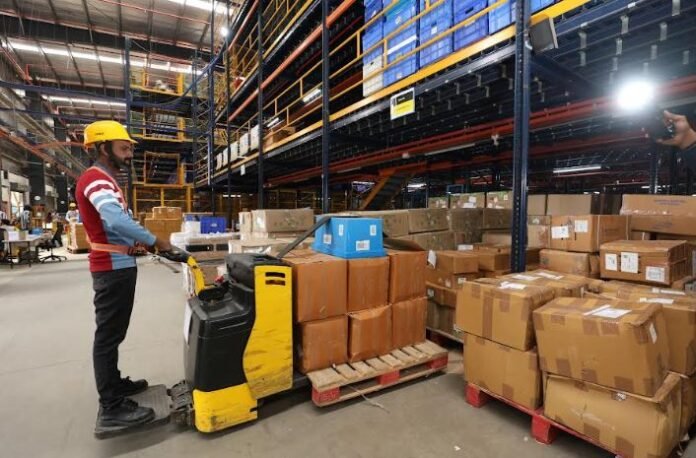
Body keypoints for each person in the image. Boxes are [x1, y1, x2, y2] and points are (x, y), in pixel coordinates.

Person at [75, 120, 172, 430]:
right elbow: (115, 220)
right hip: (111, 268)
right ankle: (111, 408)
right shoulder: (96, 179)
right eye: (124, 148)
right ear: (103, 148)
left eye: (130, 148)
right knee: (108, 336)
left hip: (119, 265)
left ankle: (114, 384)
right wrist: (157, 241)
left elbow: (118, 222)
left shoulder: (106, 179)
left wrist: (143, 245)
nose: (129, 154)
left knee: (114, 333)